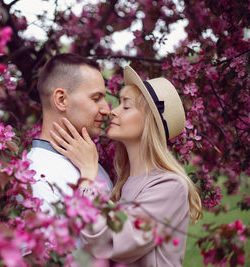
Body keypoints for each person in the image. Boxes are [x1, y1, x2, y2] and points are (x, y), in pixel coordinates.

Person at [50, 65, 203, 266]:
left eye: (126, 106)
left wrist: (88, 174)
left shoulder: (170, 186)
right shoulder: (125, 183)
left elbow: (108, 242)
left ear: (149, 122)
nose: (112, 112)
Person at [27, 53, 114, 214]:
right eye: (96, 98)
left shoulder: (91, 164)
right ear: (61, 100)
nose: (107, 110)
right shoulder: (35, 174)